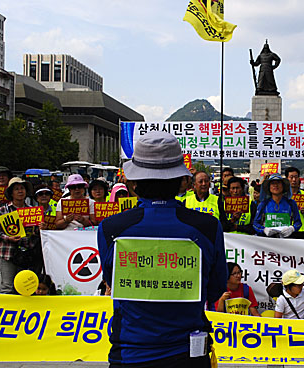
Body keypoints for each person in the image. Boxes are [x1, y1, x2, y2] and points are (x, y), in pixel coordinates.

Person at [97, 132, 227, 367]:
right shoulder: (207, 227)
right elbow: (214, 290)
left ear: (134, 182)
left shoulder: (110, 228)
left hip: (130, 352)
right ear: (182, 181)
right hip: (188, 351)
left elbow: (111, 280)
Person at [0, 177, 39, 293]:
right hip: (8, 253)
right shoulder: (3, 210)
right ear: (11, 193)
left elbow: (37, 232)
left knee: (26, 287)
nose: (20, 191)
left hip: (27, 253)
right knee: (7, 286)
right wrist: (8, 238)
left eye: (22, 188)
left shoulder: (32, 211)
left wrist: (38, 230)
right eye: (16, 189)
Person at [253, 174, 301, 238]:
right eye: (273, 183)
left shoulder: (291, 203)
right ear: (269, 187)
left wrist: (292, 228)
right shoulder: (263, 204)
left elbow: (298, 223)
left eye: (278, 183)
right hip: (267, 241)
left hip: (286, 241)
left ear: (283, 186)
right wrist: (264, 230)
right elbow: (255, 224)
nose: (275, 185)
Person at [285, 167, 304, 239]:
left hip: (301, 231)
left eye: (296, 177)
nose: (294, 180)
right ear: (287, 179)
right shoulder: (282, 195)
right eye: (291, 177)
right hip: (285, 230)